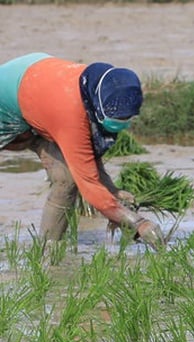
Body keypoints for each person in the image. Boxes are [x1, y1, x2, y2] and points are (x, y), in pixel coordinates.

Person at [0, 53, 163, 247]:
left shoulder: (100, 85)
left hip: (37, 85)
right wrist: (137, 223)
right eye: (115, 120)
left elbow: (87, 152)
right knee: (68, 180)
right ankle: (48, 251)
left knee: (65, 177)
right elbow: (88, 183)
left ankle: (49, 253)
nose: (120, 125)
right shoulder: (70, 116)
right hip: (13, 97)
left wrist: (111, 191)